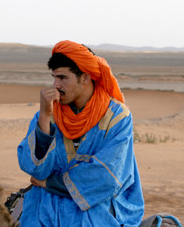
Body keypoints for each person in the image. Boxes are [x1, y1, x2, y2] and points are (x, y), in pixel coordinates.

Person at [17, 40, 144, 226]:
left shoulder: (117, 117)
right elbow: (35, 169)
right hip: (47, 204)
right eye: (54, 77)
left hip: (98, 203)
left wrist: (50, 183)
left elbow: (105, 177)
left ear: (85, 78)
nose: (55, 85)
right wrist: (44, 116)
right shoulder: (50, 112)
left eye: (62, 78)